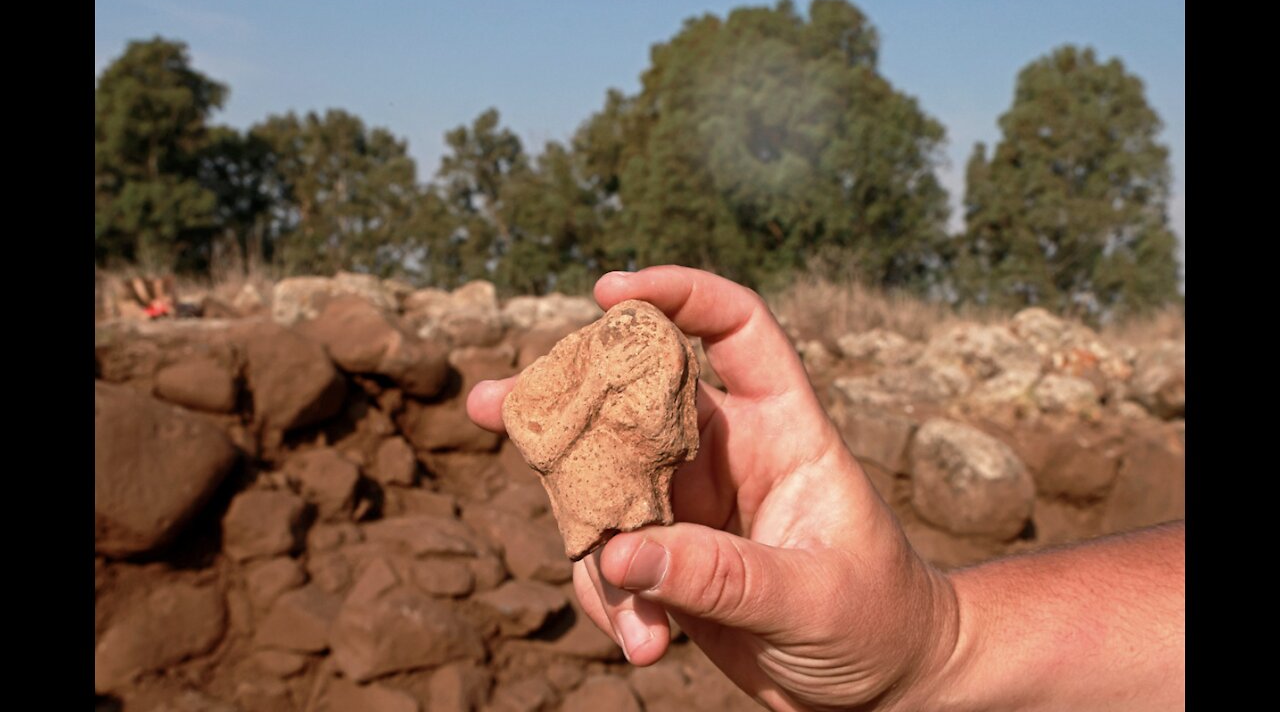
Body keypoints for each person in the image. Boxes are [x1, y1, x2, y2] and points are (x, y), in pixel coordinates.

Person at [467, 265, 1185, 711]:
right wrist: (939, 644)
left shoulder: (643, 390)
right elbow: (542, 419)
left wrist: (940, 645)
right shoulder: (585, 396)